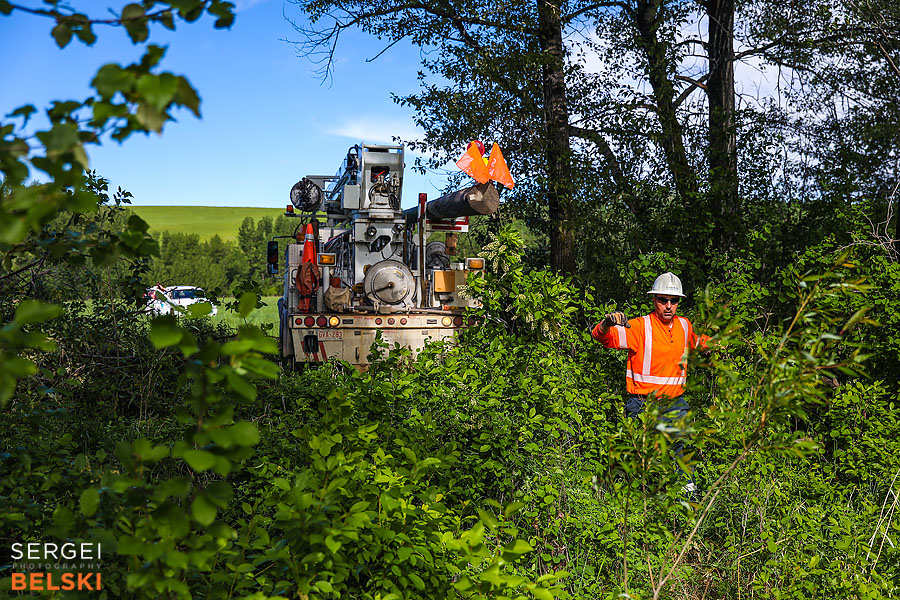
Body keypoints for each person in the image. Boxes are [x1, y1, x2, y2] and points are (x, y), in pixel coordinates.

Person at [591, 272, 710, 492]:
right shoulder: (640, 327)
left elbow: (696, 342)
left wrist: (721, 343)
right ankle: (618, 494)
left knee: (682, 444)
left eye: (674, 300)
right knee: (635, 452)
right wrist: (607, 323)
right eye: (663, 300)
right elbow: (601, 337)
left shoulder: (684, 325)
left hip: (675, 402)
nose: (668, 306)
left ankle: (687, 495)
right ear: (654, 300)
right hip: (643, 403)